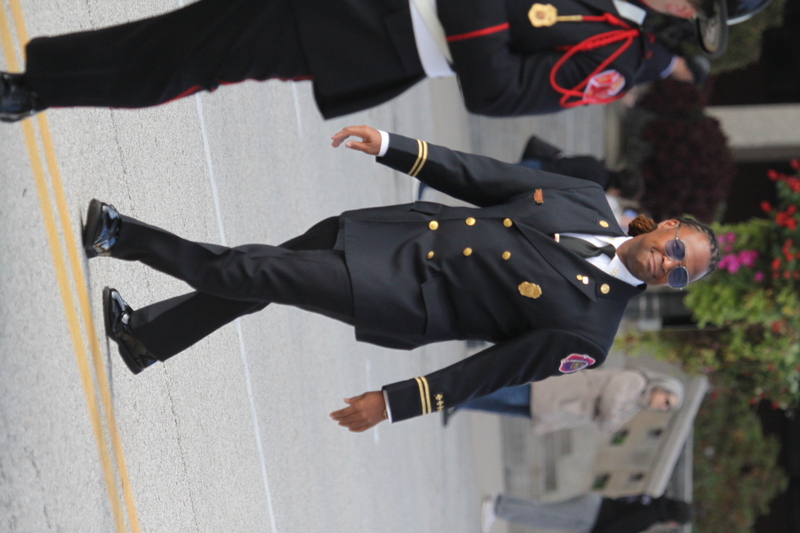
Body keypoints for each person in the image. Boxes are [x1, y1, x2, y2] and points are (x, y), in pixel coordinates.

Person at [81, 124, 718, 431]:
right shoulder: (585, 198)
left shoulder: (591, 334)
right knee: (260, 282)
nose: (668, 264)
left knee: (252, 270)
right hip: (396, 233)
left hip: (400, 296)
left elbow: (492, 371)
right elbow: (483, 176)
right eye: (676, 249)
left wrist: (396, 403)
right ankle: (147, 339)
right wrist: (395, 147)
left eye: (679, 274)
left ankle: (122, 237)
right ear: (665, 226)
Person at [1, 0, 706, 123]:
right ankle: (40, 78)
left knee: (197, 57)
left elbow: (497, 92)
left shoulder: (622, 53)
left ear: (684, 10)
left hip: (373, 32)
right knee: (196, 29)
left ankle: (34, 89)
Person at [442, 368, 683, 430]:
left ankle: (459, 402)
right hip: (560, 393)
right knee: (507, 394)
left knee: (504, 407)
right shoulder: (638, 381)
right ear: (663, 388)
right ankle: (449, 390)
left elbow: (607, 422)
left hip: (562, 409)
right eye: (666, 401)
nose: (662, 407)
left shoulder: (636, 406)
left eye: (666, 408)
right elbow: (611, 398)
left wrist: (608, 418)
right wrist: (609, 416)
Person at [480, 492, 692, 533]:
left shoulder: (652, 501)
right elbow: (615, 529)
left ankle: (500, 501)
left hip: (594, 502)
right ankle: (497, 509)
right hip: (589, 516)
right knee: (542, 516)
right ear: (674, 519)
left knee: (543, 509)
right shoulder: (649, 517)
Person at [518, 135, 645, 200]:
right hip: (536, 184)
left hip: (536, 165)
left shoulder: (594, 162)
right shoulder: (593, 189)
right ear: (617, 191)